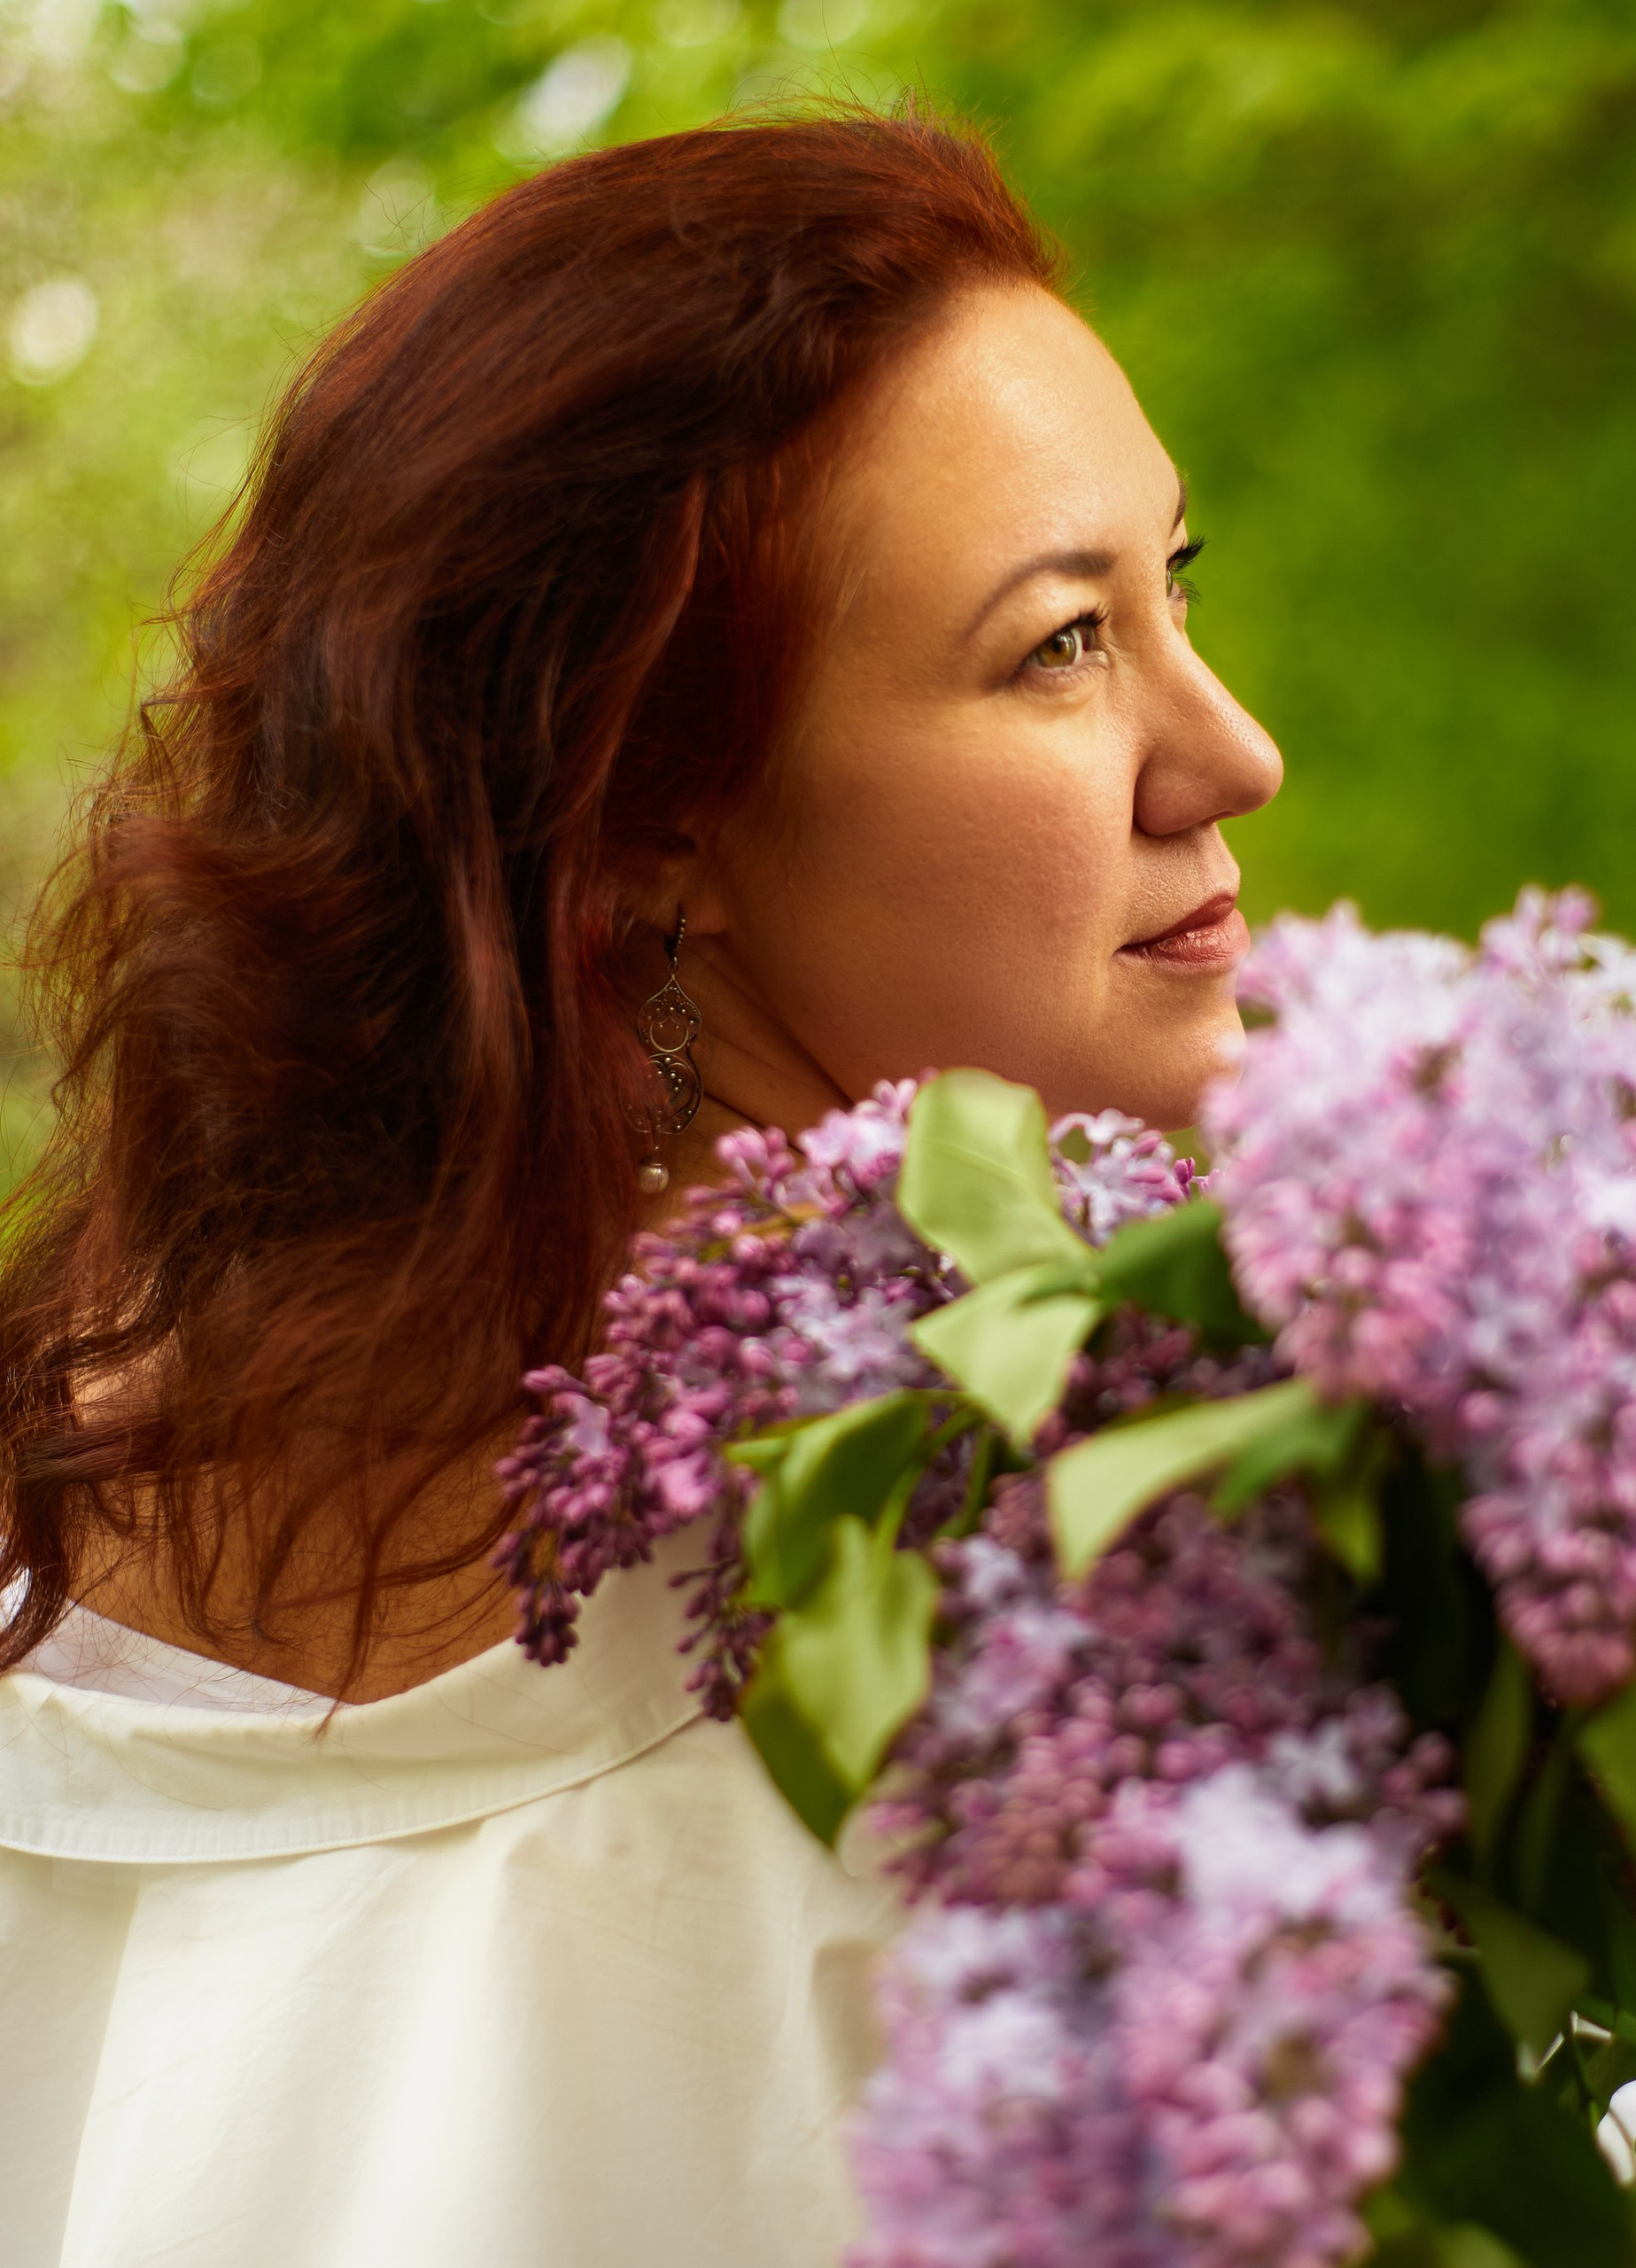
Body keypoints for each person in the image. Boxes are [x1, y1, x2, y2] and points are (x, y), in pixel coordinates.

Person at [0, 108, 1280, 2266]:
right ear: (648, 823)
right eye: (1059, 641)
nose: (1230, 748)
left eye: (1175, 587)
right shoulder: (1006, 1698)